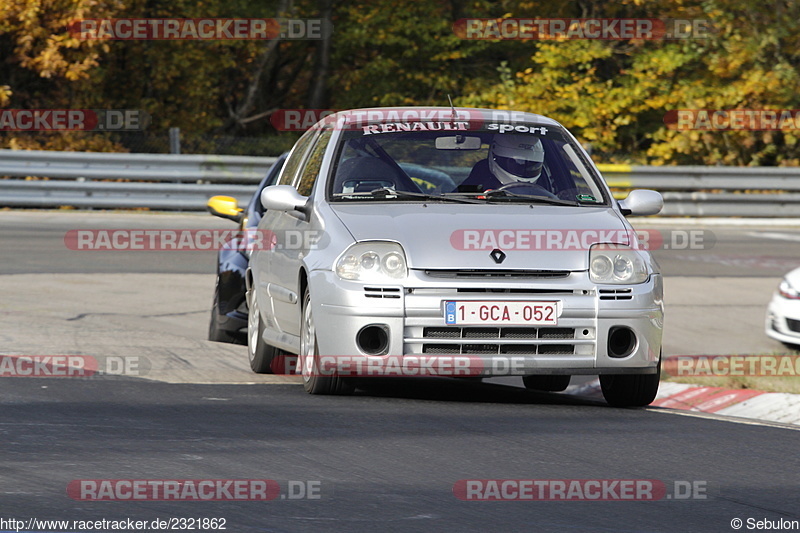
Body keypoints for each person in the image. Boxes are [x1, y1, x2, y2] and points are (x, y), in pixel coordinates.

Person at [459, 134, 545, 192]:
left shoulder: (547, 190)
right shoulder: (480, 177)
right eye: (517, 163)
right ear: (495, 157)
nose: (523, 168)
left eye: (532, 165)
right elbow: (459, 198)